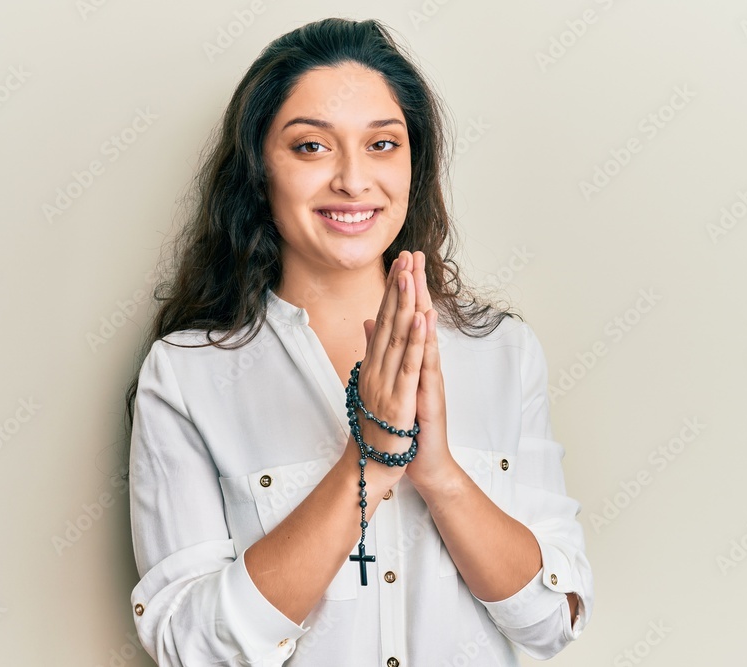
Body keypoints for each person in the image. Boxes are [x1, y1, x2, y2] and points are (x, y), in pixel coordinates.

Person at [124, 17, 593, 666]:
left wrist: (443, 478)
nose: (352, 179)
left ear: (413, 163)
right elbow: (194, 645)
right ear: (261, 166)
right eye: (312, 147)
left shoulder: (504, 353)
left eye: (382, 144)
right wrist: (367, 463)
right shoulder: (188, 375)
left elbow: (553, 620)